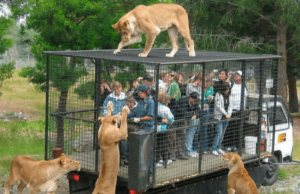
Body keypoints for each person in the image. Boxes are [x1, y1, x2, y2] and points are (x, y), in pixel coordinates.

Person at [127, 84, 155, 171]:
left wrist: (139, 119)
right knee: (140, 150)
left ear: (144, 92)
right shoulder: (140, 102)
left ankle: (149, 171)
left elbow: (150, 116)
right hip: (140, 129)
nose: (138, 94)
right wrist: (124, 116)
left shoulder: (150, 102)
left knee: (147, 151)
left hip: (147, 129)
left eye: (139, 92)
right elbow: (135, 113)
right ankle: (141, 170)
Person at [225, 70, 249, 151]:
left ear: (241, 77)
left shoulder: (244, 86)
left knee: (238, 128)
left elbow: (246, 98)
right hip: (231, 110)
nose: (236, 76)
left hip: (240, 110)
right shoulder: (231, 85)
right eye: (235, 75)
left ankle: (236, 145)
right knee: (230, 128)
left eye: (238, 75)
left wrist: (245, 106)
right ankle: (228, 145)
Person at [174, 92, 201, 158]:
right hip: (178, 120)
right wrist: (194, 113)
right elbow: (184, 113)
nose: (196, 102)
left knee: (192, 133)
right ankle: (187, 151)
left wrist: (195, 115)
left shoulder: (194, 102)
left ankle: (190, 150)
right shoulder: (183, 101)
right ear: (191, 98)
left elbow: (199, 111)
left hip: (187, 119)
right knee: (187, 134)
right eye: (195, 100)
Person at [194, 76, 214, 154]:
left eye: (209, 82)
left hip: (207, 110)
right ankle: (195, 148)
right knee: (197, 129)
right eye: (207, 82)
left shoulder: (211, 88)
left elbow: (210, 100)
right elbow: (200, 99)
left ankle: (204, 148)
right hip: (199, 110)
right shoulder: (200, 88)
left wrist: (207, 99)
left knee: (205, 129)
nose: (208, 83)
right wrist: (206, 99)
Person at [155, 89, 175, 167]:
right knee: (163, 144)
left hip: (155, 128)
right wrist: (169, 123)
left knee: (156, 145)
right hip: (163, 128)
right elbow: (171, 119)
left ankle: (157, 160)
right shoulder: (166, 109)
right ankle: (165, 160)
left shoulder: (156, 106)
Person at [212, 82, 233, 156]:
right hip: (219, 117)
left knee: (223, 133)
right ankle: (214, 148)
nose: (227, 91)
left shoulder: (229, 95)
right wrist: (225, 114)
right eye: (225, 90)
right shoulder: (218, 94)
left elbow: (230, 105)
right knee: (219, 132)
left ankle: (218, 147)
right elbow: (218, 106)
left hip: (226, 117)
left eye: (228, 89)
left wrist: (229, 114)